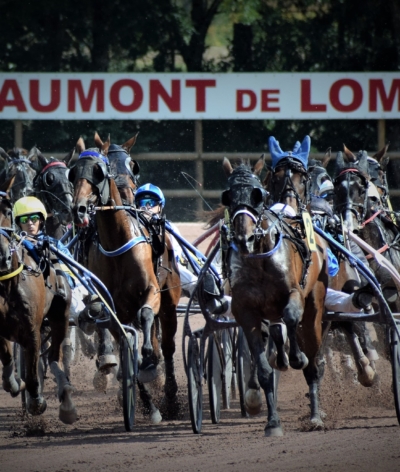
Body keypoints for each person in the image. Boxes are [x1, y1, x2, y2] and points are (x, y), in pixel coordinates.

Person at [135, 184, 232, 316]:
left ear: (160, 207)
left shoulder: (169, 227)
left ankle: (205, 294)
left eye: (151, 203)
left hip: (173, 268)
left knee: (192, 278)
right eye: (141, 203)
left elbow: (177, 256)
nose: (146, 207)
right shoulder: (132, 231)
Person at [13, 196, 98, 326]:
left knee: (74, 286)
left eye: (34, 218)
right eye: (25, 219)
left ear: (41, 220)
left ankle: (84, 317)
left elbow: (71, 271)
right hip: (23, 295)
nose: (30, 223)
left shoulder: (54, 244)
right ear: (19, 223)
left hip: (56, 291)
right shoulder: (13, 247)